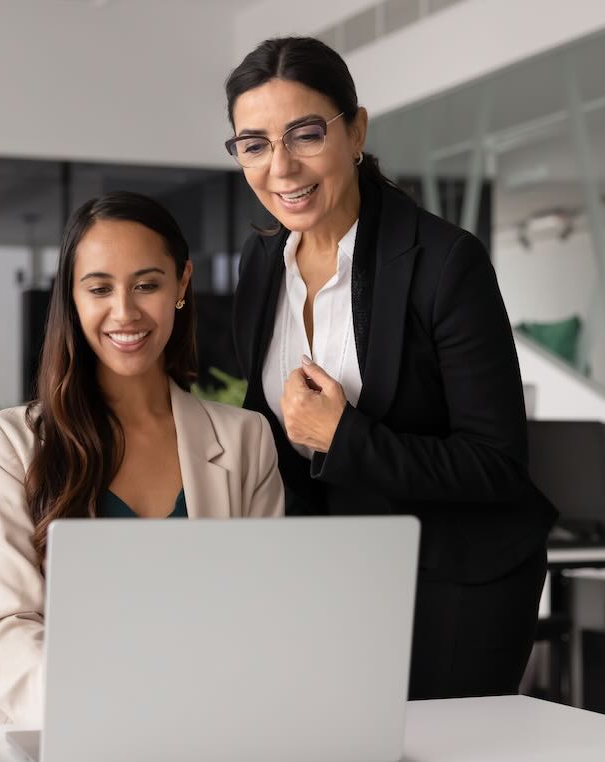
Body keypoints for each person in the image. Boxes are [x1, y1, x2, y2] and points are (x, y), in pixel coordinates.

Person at [224, 37, 557, 700]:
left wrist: (342, 437)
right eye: (254, 144)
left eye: (305, 134)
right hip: (334, 577)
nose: (280, 167)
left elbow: (496, 463)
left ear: (356, 132)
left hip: (457, 579)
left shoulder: (443, 261)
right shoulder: (260, 265)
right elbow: (273, 436)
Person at [0, 191, 284, 725]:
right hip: (60, 730)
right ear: (72, 297)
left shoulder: (247, 439)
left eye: (147, 285)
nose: (125, 312)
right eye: (100, 288)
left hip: (206, 728)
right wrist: (113, 712)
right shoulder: (9, 443)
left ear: (181, 284)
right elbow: (3, 629)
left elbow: (264, 615)